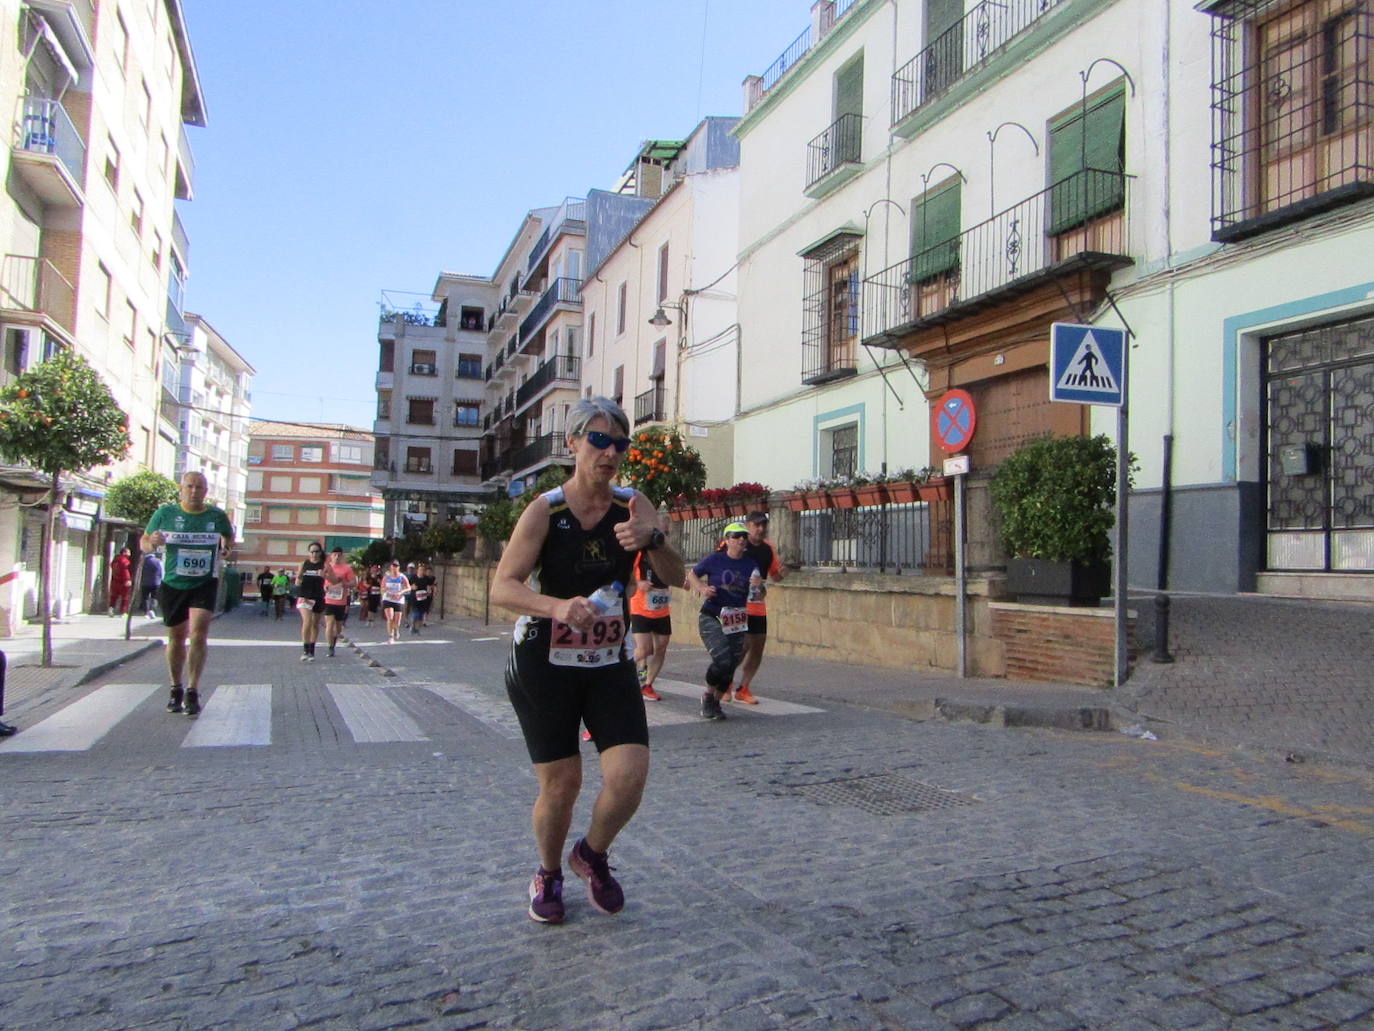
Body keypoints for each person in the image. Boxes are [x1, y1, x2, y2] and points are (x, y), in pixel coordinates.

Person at [491, 396, 684, 925]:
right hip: (543, 662)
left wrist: (654, 537)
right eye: (598, 440)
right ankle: (549, 872)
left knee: (629, 775)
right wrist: (556, 606)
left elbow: (676, 574)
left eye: (619, 443)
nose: (610, 453)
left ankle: (591, 855)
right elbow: (502, 587)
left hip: (606, 661)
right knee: (562, 783)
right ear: (573, 444)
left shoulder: (632, 503)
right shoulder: (544, 510)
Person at [140, 471, 235, 717]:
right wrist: (153, 542)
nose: (194, 491)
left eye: (199, 487)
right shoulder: (165, 514)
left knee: (199, 633)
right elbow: (144, 541)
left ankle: (193, 690)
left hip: (204, 582)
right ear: (181, 489)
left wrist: (226, 548)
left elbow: (228, 537)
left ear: (206, 491)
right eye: (190, 486)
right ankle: (176, 687)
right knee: (176, 637)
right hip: (173, 583)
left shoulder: (216, 516)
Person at [686, 522, 761, 721]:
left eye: (744, 536)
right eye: (736, 536)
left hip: (736, 619)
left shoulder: (750, 565)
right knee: (722, 660)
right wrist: (702, 589)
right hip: (713, 616)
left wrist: (760, 587)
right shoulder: (714, 560)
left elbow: (760, 594)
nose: (741, 540)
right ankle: (708, 695)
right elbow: (692, 575)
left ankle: (716, 703)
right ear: (727, 540)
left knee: (731, 664)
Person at [728, 510, 786, 705]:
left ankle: (743, 688)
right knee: (741, 648)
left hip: (758, 605)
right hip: (737, 605)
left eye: (764, 525)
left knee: (758, 647)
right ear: (748, 525)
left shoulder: (768, 549)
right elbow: (720, 565)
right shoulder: (737, 543)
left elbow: (775, 575)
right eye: (757, 525)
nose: (761, 529)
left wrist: (783, 573)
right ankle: (725, 682)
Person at [628, 549, 672, 702]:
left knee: (661, 647)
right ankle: (617, 671)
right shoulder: (639, 554)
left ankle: (647, 685)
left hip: (661, 609)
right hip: (640, 607)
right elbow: (627, 572)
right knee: (644, 649)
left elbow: (675, 571)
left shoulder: (666, 554)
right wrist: (639, 583)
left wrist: (684, 581)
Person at [321, 547, 356, 657]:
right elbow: (320, 580)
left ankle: (334, 642)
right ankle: (330, 648)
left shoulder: (347, 569)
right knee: (329, 624)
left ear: (342, 556)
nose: (336, 557)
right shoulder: (326, 567)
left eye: (339, 555)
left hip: (341, 601)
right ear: (331, 555)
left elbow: (354, 582)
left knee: (338, 627)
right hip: (328, 600)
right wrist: (324, 587)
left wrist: (344, 584)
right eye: (334, 554)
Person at [296, 542, 326, 661]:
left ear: (320, 552)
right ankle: (305, 649)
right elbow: (297, 582)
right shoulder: (303, 564)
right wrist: (298, 576)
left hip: (318, 596)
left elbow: (332, 581)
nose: (314, 554)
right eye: (312, 551)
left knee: (314, 623)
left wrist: (324, 576)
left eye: (316, 551)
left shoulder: (324, 565)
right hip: (305, 596)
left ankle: (311, 649)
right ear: (309, 553)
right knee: (307, 621)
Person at [380, 560, 410, 643]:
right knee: (390, 618)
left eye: (396, 566)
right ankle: (390, 636)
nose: (394, 568)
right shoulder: (386, 577)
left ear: (398, 567)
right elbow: (382, 588)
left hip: (398, 600)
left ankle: (396, 629)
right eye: (393, 566)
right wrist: (384, 590)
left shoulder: (402, 577)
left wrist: (401, 592)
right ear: (390, 567)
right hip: (388, 599)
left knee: (397, 621)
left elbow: (408, 587)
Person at [409, 561, 435, 634]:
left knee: (420, 616)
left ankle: (417, 629)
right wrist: (412, 587)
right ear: (417, 570)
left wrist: (430, 590)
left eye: (423, 570)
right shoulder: (413, 577)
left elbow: (431, 585)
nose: (422, 571)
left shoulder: (426, 578)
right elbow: (406, 586)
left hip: (423, 599)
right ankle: (413, 626)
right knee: (415, 614)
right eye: (420, 570)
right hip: (415, 599)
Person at [108, 547, 132, 616]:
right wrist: (127, 579)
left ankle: (111, 609)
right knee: (125, 597)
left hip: (115, 581)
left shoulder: (115, 560)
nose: (129, 554)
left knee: (114, 597)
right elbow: (125, 571)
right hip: (123, 582)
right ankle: (123, 612)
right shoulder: (124, 561)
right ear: (124, 553)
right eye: (128, 552)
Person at [139, 551, 164, 618]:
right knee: (154, 597)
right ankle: (152, 610)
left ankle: (146, 612)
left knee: (145, 598)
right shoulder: (158, 561)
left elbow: (140, 572)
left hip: (145, 582)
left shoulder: (143, 562)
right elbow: (162, 572)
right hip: (156, 582)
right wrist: (161, 580)